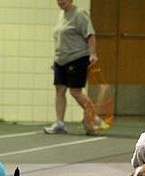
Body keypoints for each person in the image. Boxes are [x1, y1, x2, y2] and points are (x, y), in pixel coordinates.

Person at [44, 0, 108, 135]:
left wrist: (93, 54)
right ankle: (59, 124)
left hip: (77, 58)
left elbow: (90, 35)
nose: (61, 2)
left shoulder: (79, 14)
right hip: (60, 60)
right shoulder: (62, 15)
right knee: (59, 90)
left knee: (75, 92)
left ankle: (93, 118)